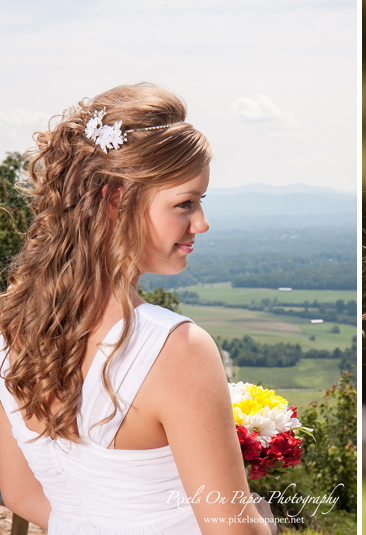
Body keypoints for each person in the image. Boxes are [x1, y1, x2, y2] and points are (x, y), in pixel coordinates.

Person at [0, 83, 275, 534]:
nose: (201, 223)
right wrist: (261, 520)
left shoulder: (11, 331)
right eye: (185, 203)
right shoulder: (178, 350)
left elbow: (19, 492)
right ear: (116, 201)